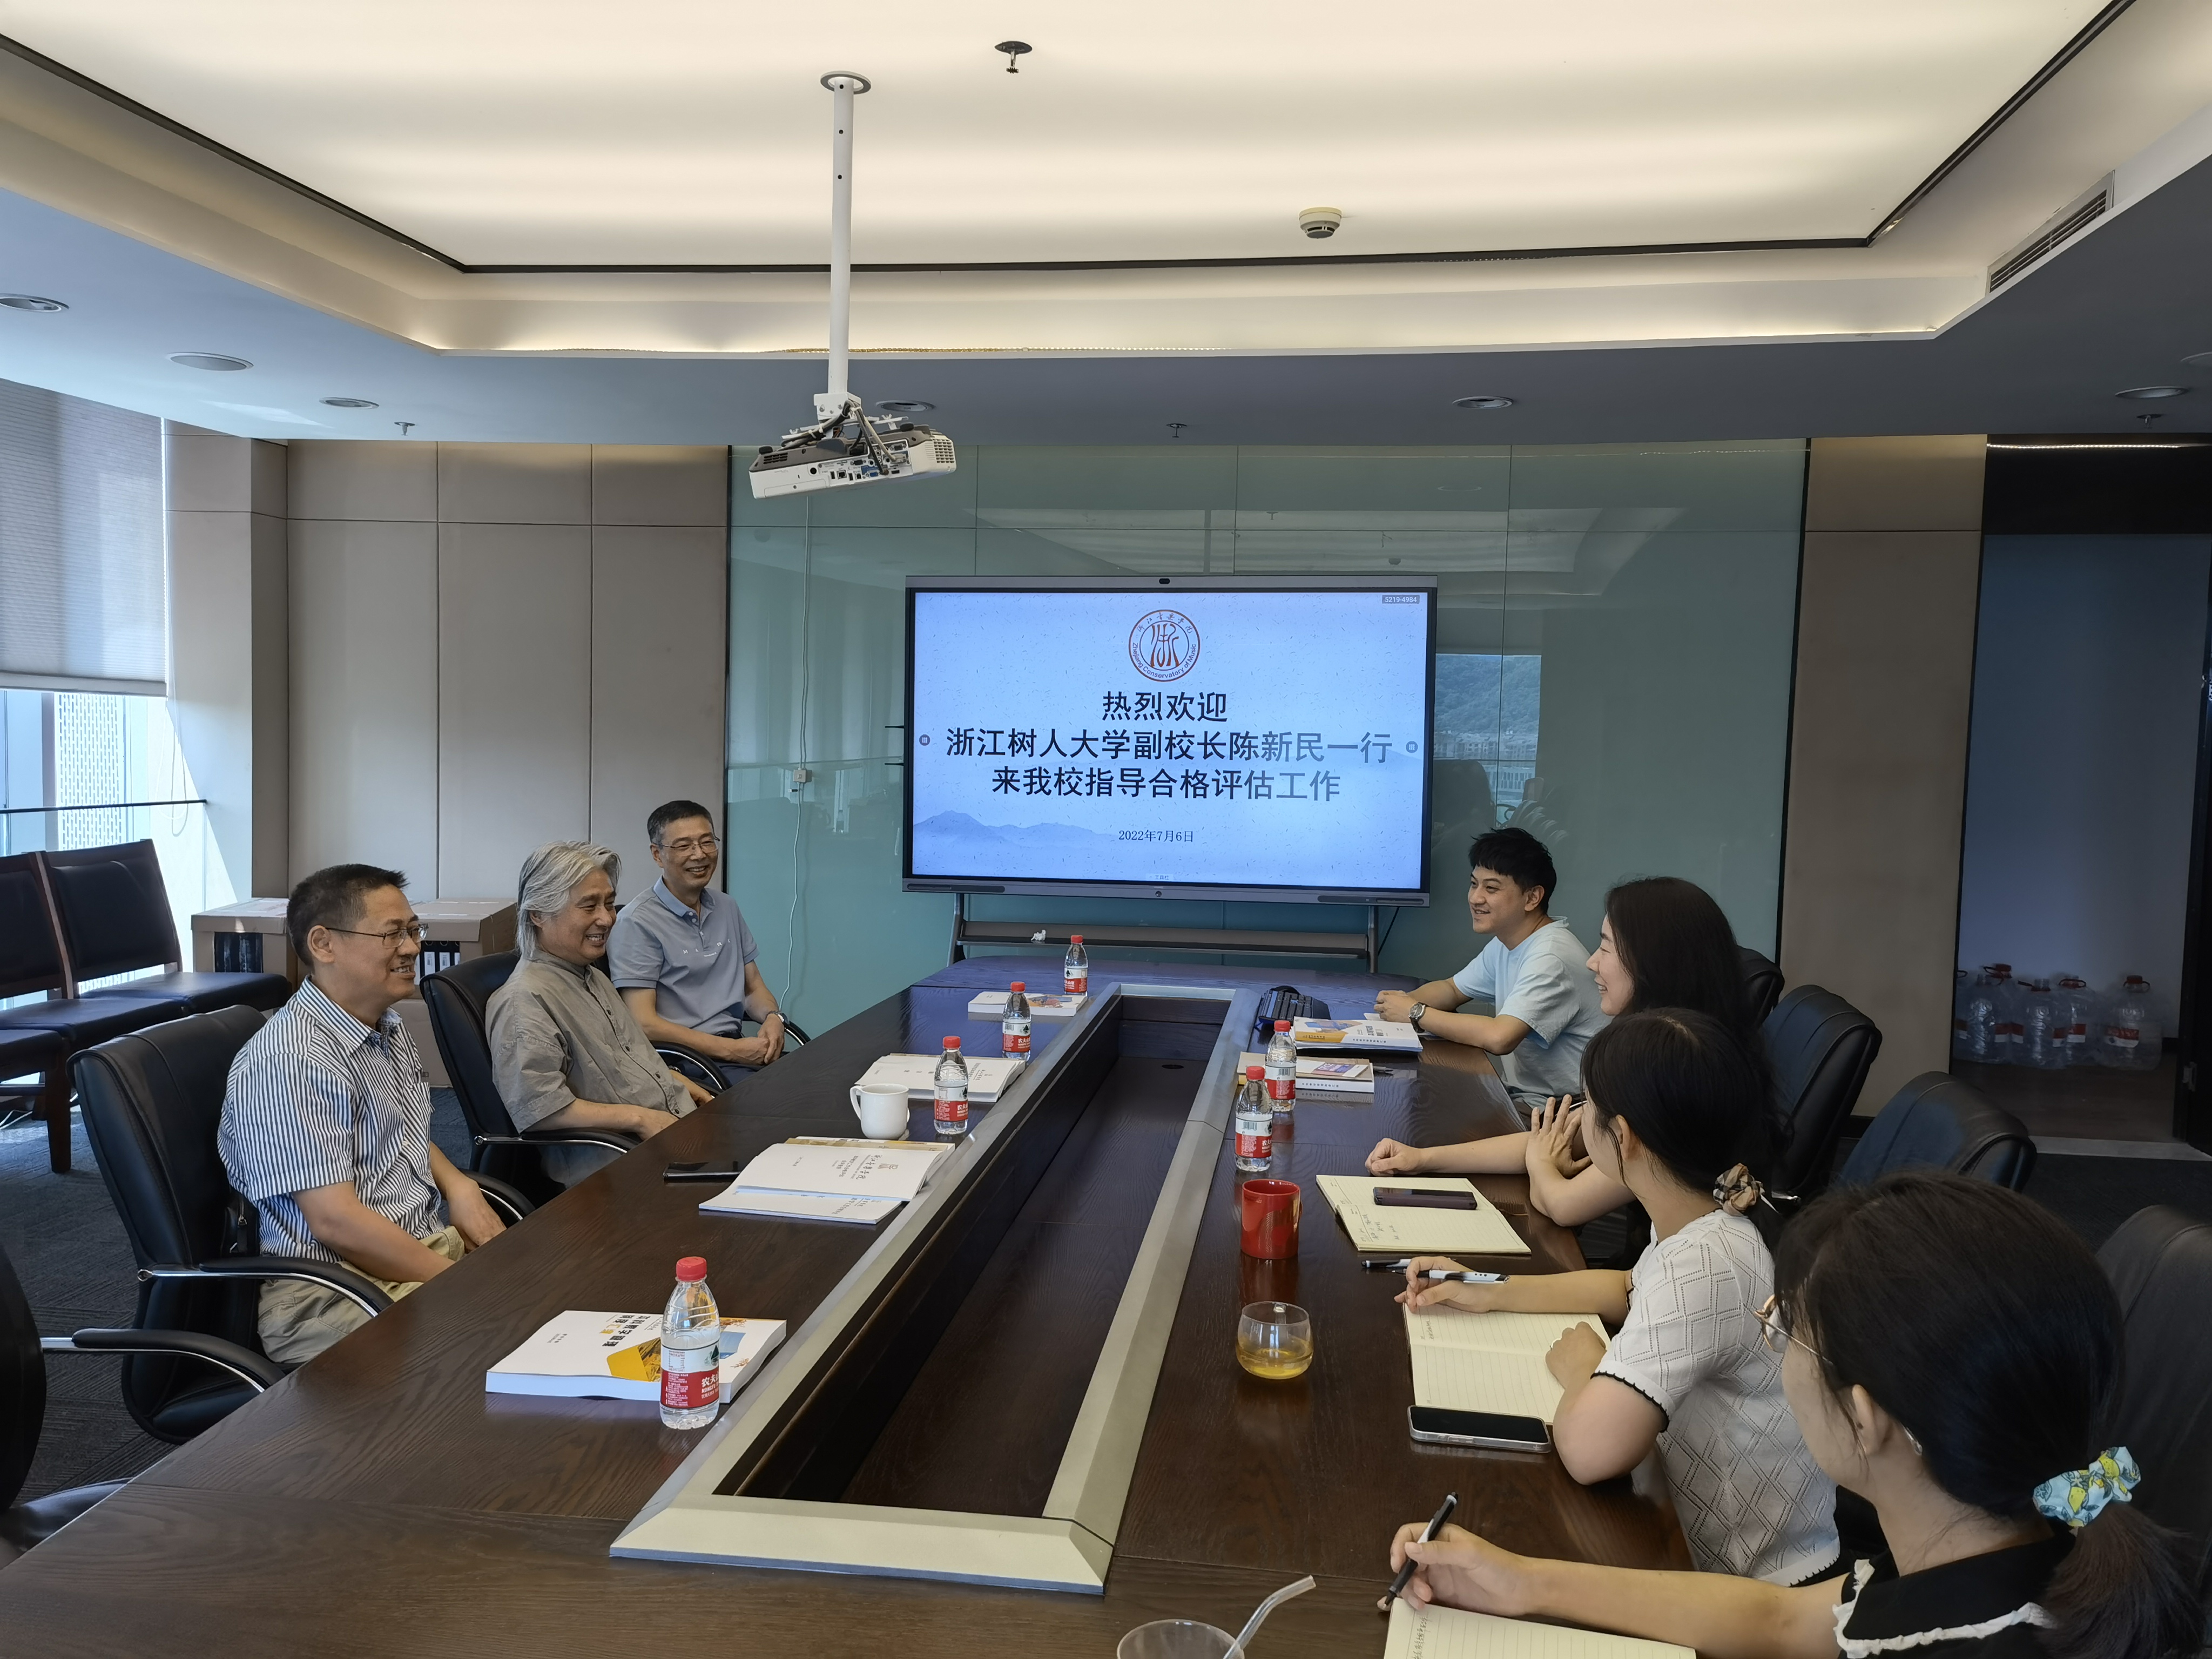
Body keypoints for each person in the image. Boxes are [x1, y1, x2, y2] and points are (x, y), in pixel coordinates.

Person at [1387, 1173, 2202, 1659]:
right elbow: (1780, 1620)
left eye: (1786, 1328)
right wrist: (1522, 1581)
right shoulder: (2009, 1537)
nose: (1769, 1334)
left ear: (1865, 1417)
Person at [1398, 1008, 1834, 1585]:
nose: (1580, 1117)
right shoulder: (1706, 1211)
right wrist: (1491, 1290)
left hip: (1753, 1579)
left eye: (1589, 1106)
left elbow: (1589, 1451)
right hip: (1690, 1529)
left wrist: (1585, 1368)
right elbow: (1627, 1286)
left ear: (1623, 1138)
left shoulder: (1704, 1262)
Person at [219, 864, 506, 1365]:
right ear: (324, 944)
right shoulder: (291, 1059)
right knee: (508, 1339)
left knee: (550, 1296)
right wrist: (461, 1286)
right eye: (393, 934)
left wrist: (459, 1186)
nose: (413, 948)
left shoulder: (384, 1026)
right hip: (332, 1294)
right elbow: (336, 1223)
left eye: (414, 930)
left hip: (409, 1253)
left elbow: (400, 1132)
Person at [1369, 875, 1760, 1227]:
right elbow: (1557, 1137)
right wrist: (1423, 1158)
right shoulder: (1664, 1047)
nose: (1591, 962)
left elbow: (1563, 1203)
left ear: (1654, 964)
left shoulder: (1671, 1072)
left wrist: (1542, 1163)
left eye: (1606, 948)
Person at [486, 841, 702, 1189]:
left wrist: (675, 1082)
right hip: (621, 1172)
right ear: (538, 914)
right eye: (589, 906)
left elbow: (626, 1060)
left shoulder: (591, 975)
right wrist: (640, 1118)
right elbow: (540, 1108)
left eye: (610, 904)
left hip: (671, 1139)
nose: (607, 919)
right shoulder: (523, 1000)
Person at [1375, 827, 1606, 1115]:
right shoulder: (1510, 941)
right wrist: (1396, 1006)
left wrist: (1415, 1013)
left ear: (1532, 898)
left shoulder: (1550, 956)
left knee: (1417, 1114)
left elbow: (1500, 1038)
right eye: (1474, 884)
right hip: (1531, 1100)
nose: (1475, 898)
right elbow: (1452, 989)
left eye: (1491, 889)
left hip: (1570, 1111)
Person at [606, 799, 786, 1073]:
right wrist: (731, 1051)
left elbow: (753, 988)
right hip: (687, 1062)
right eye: (684, 846)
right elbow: (644, 1023)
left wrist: (773, 1018)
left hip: (736, 1051)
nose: (699, 854)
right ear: (657, 855)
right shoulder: (636, 922)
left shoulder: (727, 906)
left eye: (707, 842)